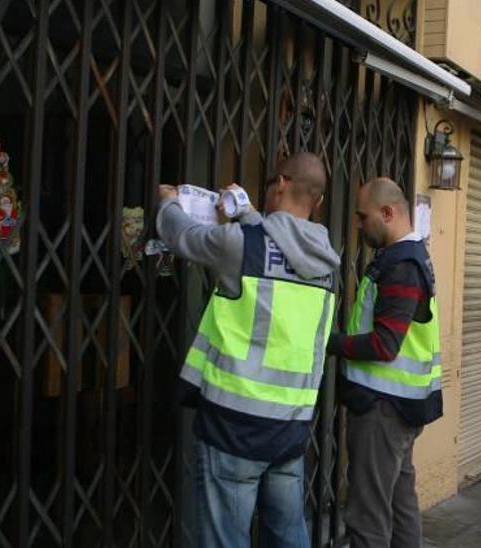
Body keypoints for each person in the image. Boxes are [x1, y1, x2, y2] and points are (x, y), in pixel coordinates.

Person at [156, 152, 340, 548]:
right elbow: (282, 255)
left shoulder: (239, 245)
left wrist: (168, 201)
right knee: (289, 537)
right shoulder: (327, 266)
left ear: (280, 184)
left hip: (234, 429)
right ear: (319, 202)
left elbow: (183, 236)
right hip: (291, 428)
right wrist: (250, 214)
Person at [328, 177, 442, 548]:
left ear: (388, 213)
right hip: (398, 407)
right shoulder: (409, 258)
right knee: (399, 503)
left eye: (363, 217)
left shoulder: (402, 265)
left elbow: (385, 343)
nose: (359, 225)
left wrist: (332, 343)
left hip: (383, 410)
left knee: (368, 515)